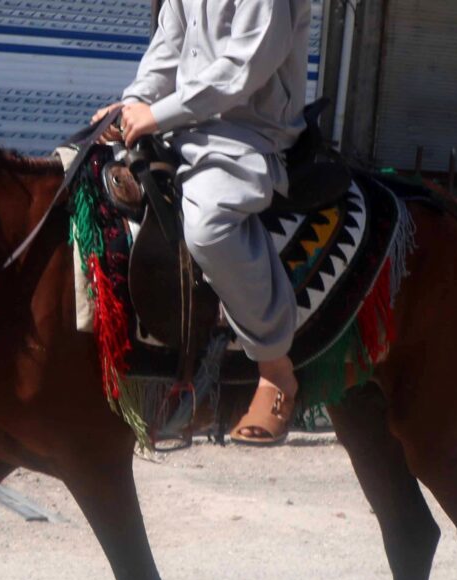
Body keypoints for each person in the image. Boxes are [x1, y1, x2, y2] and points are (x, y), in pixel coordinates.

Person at [92, 0, 313, 445]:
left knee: (210, 227)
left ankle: (274, 368)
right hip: (182, 123)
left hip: (246, 133)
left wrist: (158, 114)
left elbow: (244, 68)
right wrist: (136, 103)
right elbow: (168, 45)